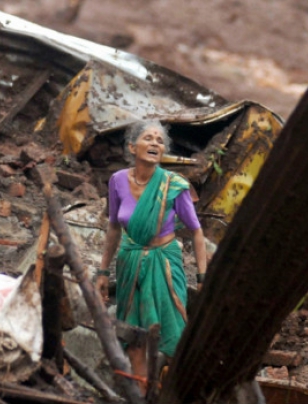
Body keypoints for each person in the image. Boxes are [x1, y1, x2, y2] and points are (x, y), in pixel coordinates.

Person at [95, 120, 208, 391]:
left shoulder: (174, 185)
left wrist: (203, 277)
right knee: (133, 335)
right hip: (129, 262)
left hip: (164, 263)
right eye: (149, 138)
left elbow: (196, 232)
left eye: (160, 140)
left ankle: (168, 391)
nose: (155, 143)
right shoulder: (117, 181)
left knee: (171, 331)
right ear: (132, 147)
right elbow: (113, 227)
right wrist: (102, 271)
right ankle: (142, 392)